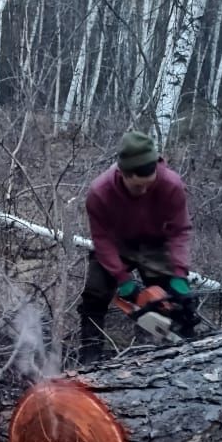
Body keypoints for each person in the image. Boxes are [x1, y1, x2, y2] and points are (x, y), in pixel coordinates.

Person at [79, 131, 195, 361]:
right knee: (95, 294)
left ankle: (182, 355)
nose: (143, 192)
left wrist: (180, 274)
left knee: (179, 305)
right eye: (137, 187)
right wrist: (122, 278)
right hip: (117, 244)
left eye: (148, 186)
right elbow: (101, 239)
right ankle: (90, 353)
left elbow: (180, 230)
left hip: (156, 243)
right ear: (122, 173)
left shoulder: (170, 185)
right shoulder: (99, 192)